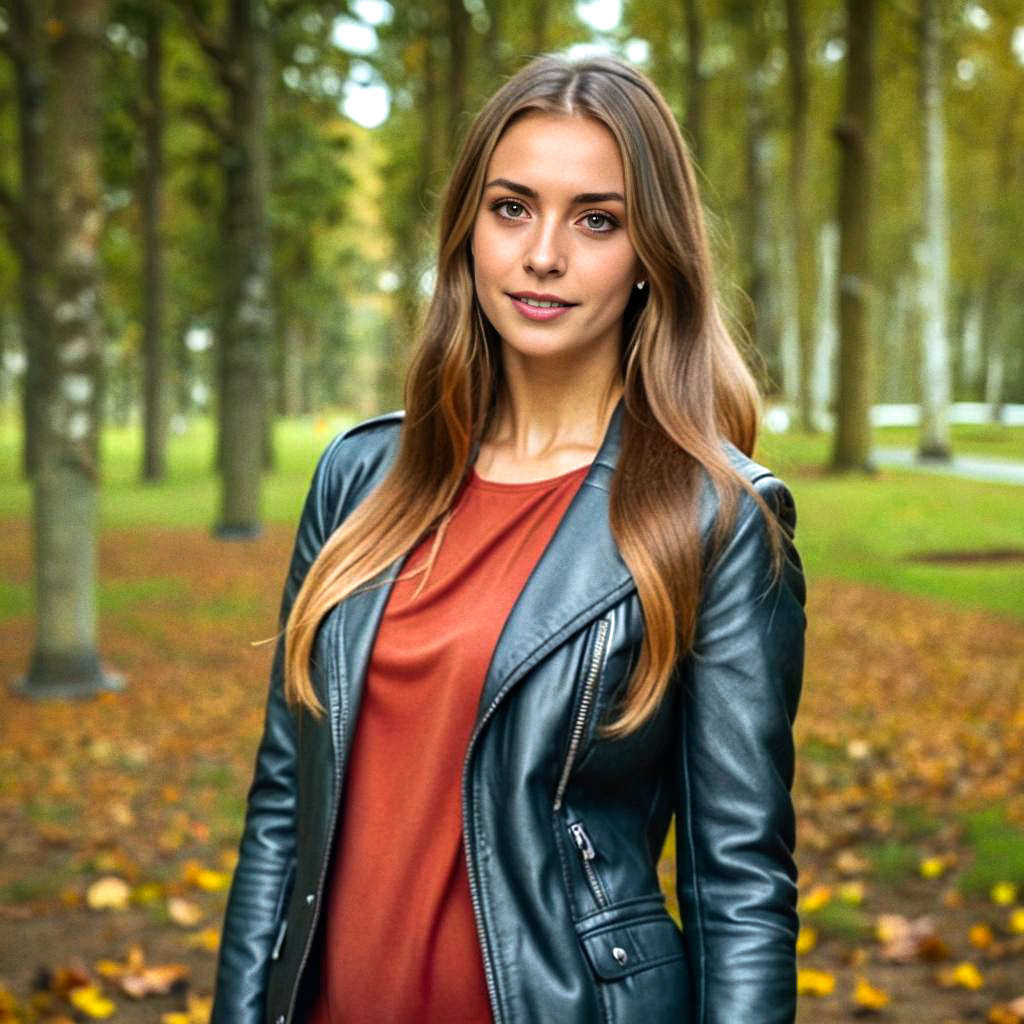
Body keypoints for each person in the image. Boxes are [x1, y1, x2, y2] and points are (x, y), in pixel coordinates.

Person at [211, 52, 807, 1024]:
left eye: (596, 220)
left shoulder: (716, 518)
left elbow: (738, 886)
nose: (544, 254)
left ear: (651, 252)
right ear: (468, 232)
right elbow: (283, 811)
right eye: (512, 207)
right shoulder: (358, 479)